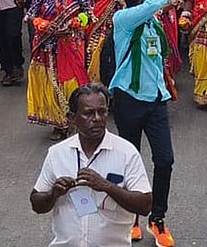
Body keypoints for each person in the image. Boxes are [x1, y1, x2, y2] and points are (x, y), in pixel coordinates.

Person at [30, 84, 153, 247]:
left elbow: (145, 205)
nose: (97, 118)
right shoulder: (57, 153)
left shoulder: (126, 153)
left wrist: (107, 186)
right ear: (72, 118)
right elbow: (36, 204)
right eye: (88, 113)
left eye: (102, 112)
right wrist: (53, 194)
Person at [108, 0, 179, 247]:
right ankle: (131, 219)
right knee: (130, 161)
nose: (154, 2)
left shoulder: (152, 24)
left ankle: (157, 218)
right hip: (128, 100)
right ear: (139, 2)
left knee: (165, 160)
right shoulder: (123, 19)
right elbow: (156, 2)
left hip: (156, 101)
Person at [26, 0, 96, 139]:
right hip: (47, 45)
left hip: (70, 44)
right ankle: (58, 123)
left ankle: (72, 119)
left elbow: (90, 14)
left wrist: (75, 22)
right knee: (50, 82)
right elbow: (30, 15)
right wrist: (42, 24)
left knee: (71, 82)